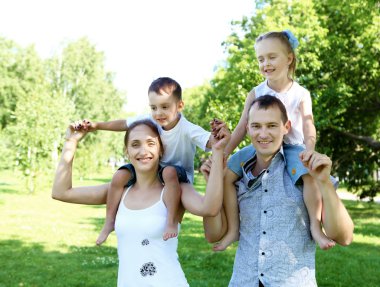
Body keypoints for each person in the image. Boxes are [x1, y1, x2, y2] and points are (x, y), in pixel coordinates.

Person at [52, 118, 230, 286]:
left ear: (161, 150)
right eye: (135, 145)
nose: (143, 151)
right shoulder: (120, 190)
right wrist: (71, 142)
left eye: (150, 143)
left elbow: (210, 208)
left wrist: (217, 152)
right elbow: (61, 192)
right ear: (127, 152)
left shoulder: (175, 189)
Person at [202, 95, 354, 287]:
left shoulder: (303, 170)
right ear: (247, 128)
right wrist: (212, 185)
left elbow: (345, 237)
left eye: (272, 125)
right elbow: (213, 235)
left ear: (286, 127)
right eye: (256, 126)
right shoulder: (238, 174)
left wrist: (324, 182)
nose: (263, 134)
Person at [219, 30, 333, 251]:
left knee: (308, 177)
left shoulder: (300, 93)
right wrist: (225, 153)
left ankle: (316, 228)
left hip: (292, 147)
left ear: (289, 58)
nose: (265, 63)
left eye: (272, 57)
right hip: (259, 145)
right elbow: (243, 126)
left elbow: (308, 123)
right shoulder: (256, 92)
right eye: (261, 59)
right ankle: (233, 229)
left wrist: (309, 149)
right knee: (226, 176)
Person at [78, 77, 213, 244]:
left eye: (165, 107)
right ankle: (109, 222)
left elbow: (211, 142)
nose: (158, 113)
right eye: (154, 107)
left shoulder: (187, 128)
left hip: (177, 174)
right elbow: (124, 124)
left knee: (169, 172)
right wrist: (97, 125)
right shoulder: (151, 120)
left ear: (179, 106)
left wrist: (219, 136)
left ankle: (170, 221)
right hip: (153, 168)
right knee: (119, 176)